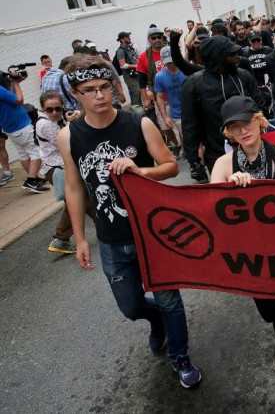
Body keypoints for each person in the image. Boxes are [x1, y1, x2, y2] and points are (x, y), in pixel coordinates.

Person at [57, 54, 202, 388]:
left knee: (170, 300)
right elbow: (75, 188)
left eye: (105, 87)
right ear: (76, 94)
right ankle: (156, 323)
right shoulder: (69, 136)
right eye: (90, 89)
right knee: (132, 307)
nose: (100, 95)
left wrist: (141, 170)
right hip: (110, 238)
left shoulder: (138, 123)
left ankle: (180, 357)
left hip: (151, 233)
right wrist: (80, 239)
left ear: (114, 87)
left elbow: (169, 165)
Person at [210, 96, 275, 382]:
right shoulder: (224, 164)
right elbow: (212, 210)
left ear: (260, 120)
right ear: (228, 132)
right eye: (235, 127)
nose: (244, 131)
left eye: (248, 122)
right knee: (267, 309)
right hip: (248, 252)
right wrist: (231, 190)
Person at [181, 36, 269, 181]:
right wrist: (194, 161)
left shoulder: (244, 76)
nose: (237, 58)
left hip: (254, 150)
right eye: (232, 55)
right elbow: (189, 125)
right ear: (218, 58)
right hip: (218, 153)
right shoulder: (194, 84)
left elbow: (261, 107)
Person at [36, 90, 93, 254]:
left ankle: (61, 239)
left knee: (78, 200)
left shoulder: (54, 119)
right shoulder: (44, 124)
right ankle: (109, 230)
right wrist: (71, 123)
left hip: (63, 166)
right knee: (80, 199)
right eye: (49, 109)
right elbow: (66, 140)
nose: (54, 113)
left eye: (58, 109)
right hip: (57, 169)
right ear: (42, 109)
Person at [0, 70, 49, 193]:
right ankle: (31, 181)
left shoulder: (2, 91)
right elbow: (18, 100)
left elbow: (10, 98)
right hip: (21, 126)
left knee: (23, 154)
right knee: (37, 152)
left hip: (10, 128)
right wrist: (16, 83)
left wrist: (16, 83)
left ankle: (34, 178)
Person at [153, 46, 187, 158]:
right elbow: (159, 96)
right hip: (176, 112)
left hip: (191, 108)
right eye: (167, 63)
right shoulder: (160, 76)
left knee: (189, 135)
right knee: (187, 134)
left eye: (172, 61)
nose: (170, 65)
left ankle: (186, 151)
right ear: (163, 61)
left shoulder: (185, 69)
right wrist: (165, 116)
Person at [115, 32, 142, 106]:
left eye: (129, 36)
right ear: (122, 39)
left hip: (136, 74)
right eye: (127, 37)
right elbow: (122, 65)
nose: (129, 38)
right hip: (129, 76)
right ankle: (137, 111)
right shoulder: (120, 50)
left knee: (141, 92)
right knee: (137, 92)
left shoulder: (130, 48)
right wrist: (136, 66)